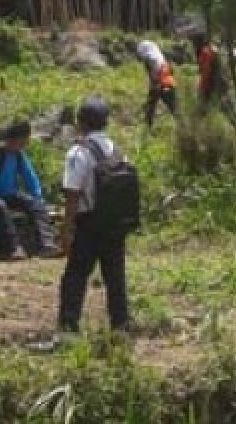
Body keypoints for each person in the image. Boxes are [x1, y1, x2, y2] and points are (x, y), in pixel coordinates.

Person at [58, 95, 130, 333]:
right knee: (115, 278)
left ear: (81, 123)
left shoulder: (79, 152)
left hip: (88, 224)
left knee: (75, 278)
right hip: (115, 223)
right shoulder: (116, 150)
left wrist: (67, 230)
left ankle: (68, 330)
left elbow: (73, 193)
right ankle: (120, 327)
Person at [0, 121, 58, 259]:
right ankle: (14, 247)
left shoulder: (19, 155)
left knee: (33, 203)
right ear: (14, 139)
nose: (26, 143)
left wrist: (37, 197)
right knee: (0, 207)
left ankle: (47, 244)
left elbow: (31, 177)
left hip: (10, 194)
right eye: (23, 140)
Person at [136, 40, 178, 127]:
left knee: (172, 108)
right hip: (167, 85)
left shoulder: (152, 59)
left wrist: (155, 86)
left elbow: (155, 77)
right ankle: (148, 128)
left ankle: (148, 128)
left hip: (164, 85)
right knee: (173, 108)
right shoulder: (160, 59)